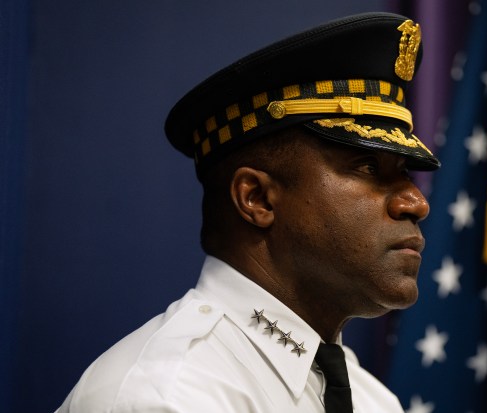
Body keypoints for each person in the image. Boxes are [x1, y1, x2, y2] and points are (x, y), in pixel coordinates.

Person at [56, 11, 440, 413]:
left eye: (406, 174)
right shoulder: (166, 396)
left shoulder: (372, 401)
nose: (415, 202)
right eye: (367, 167)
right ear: (256, 198)